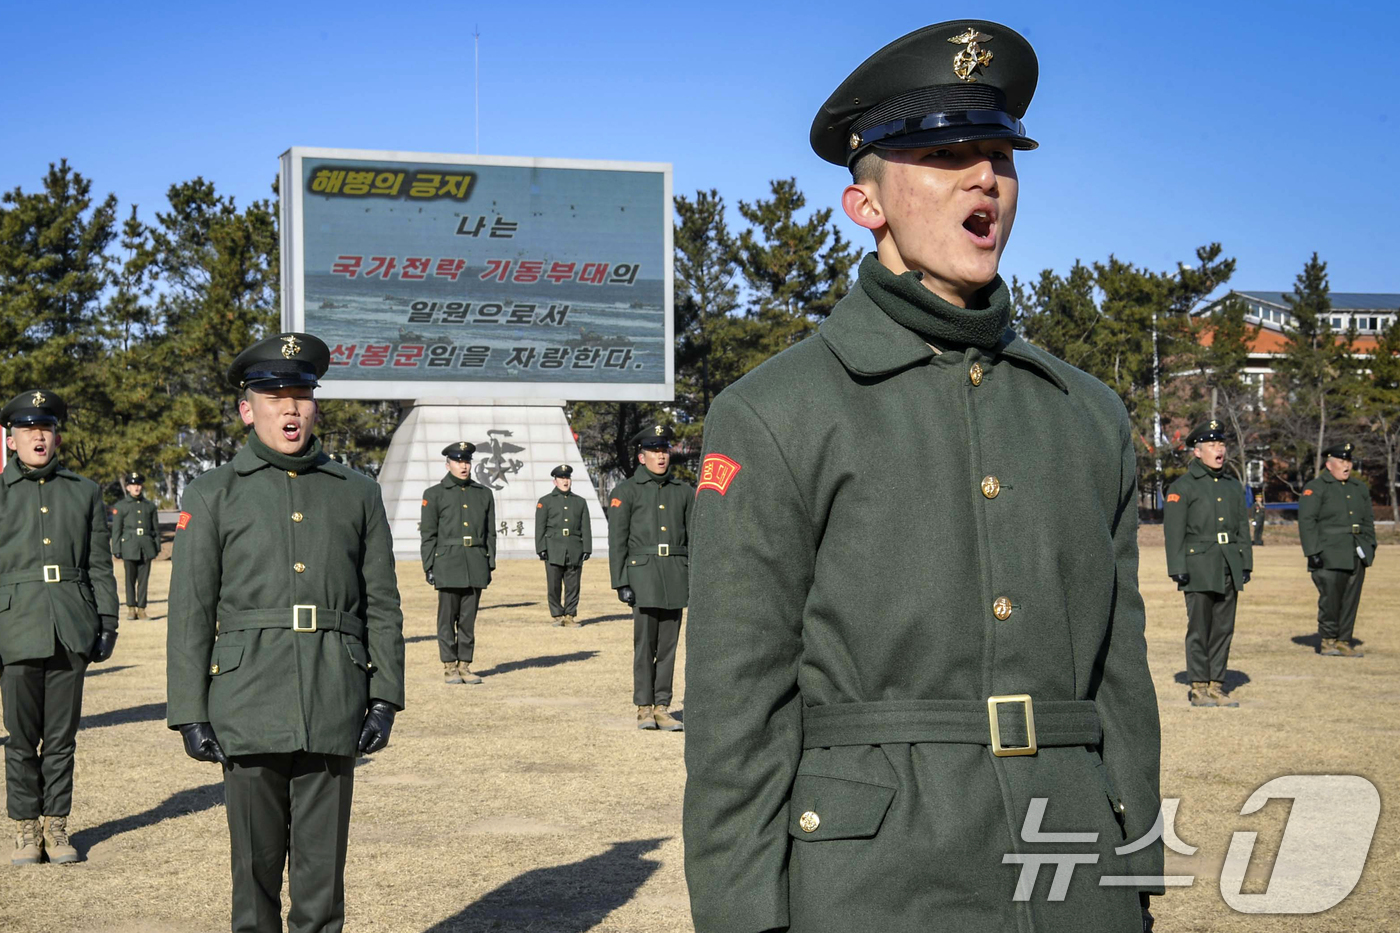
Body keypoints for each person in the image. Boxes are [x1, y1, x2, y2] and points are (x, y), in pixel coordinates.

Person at [682, 22, 1161, 932]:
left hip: (1073, 869)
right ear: (867, 205)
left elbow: (1120, 679)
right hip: (874, 879)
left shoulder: (1086, 414)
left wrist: (1132, 871)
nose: (986, 178)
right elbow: (737, 707)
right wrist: (743, 915)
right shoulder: (777, 412)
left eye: (1001, 155)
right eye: (945, 154)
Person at [165, 333, 405, 932]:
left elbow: (382, 603)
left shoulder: (357, 492)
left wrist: (385, 695)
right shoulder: (213, 493)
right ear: (248, 409)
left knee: (322, 886)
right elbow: (192, 609)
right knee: (254, 876)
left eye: (301, 395)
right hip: (247, 702)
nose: (290, 409)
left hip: (333, 695)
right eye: (274, 397)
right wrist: (189, 712)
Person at [1, 390, 119, 865]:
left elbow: (98, 565)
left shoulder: (84, 491)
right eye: (28, 430)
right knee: (21, 737)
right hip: (14, 627)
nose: (37, 437)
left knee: (62, 738)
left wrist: (107, 620)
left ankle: (57, 826)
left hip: (71, 625)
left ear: (57, 436)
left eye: (45, 429)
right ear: (11, 440)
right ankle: (26, 830)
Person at [608, 423, 691, 732]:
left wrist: (693, 578)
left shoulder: (683, 492)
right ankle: (644, 707)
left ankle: (662, 706)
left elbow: (694, 537)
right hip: (642, 577)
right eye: (654, 452)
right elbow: (617, 540)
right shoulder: (626, 492)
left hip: (674, 576)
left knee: (669, 647)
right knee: (645, 646)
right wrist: (621, 582)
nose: (661, 457)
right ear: (641, 457)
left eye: (664, 450)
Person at [1164, 420, 1252, 707]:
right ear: (1197, 452)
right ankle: (1199, 686)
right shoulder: (1183, 487)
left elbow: (1241, 527)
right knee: (1200, 627)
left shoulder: (1231, 486)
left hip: (1228, 564)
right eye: (1213, 445)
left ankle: (1217, 685)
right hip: (1198, 566)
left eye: (1222, 445)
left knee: (1224, 628)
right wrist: (1177, 567)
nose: (1220, 450)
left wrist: (1245, 563)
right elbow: (1174, 531)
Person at [421, 442, 496, 684]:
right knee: (446, 619)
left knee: (467, 619)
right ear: (448, 464)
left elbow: (490, 533)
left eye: (466, 461)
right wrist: (429, 566)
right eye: (458, 461)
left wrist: (489, 563)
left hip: (475, 562)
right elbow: (429, 534)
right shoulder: (434, 494)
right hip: (448, 563)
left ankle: (465, 665)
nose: (463, 466)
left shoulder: (483, 493)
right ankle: (449, 666)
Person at [1299, 441, 1376, 657]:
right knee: (1330, 599)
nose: (1347, 465)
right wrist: (1312, 553)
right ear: (1329, 464)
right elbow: (1307, 522)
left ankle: (1344, 640)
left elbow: (1368, 521)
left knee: (1351, 599)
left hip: (1355, 552)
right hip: (1328, 554)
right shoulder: (1316, 487)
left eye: (1349, 461)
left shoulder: (1358, 488)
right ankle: (1328, 640)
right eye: (1342, 461)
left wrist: (1370, 546)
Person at [535, 463, 592, 626]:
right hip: (553, 547)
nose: (565, 481)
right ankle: (557, 614)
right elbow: (540, 526)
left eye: (567, 478)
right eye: (561, 478)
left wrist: (587, 547)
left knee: (573, 585)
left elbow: (585, 526)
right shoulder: (545, 501)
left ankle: (570, 615)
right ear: (555, 481)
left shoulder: (580, 502)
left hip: (574, 547)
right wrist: (541, 548)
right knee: (553, 584)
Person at [110, 470, 160, 619]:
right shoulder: (121, 506)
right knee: (130, 579)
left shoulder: (150, 506)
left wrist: (156, 546)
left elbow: (155, 529)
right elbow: (116, 529)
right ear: (127, 488)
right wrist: (116, 548)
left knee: (144, 581)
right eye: (133, 485)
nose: (136, 488)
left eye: (138, 484)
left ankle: (142, 609)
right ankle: (131, 608)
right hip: (129, 546)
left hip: (146, 546)